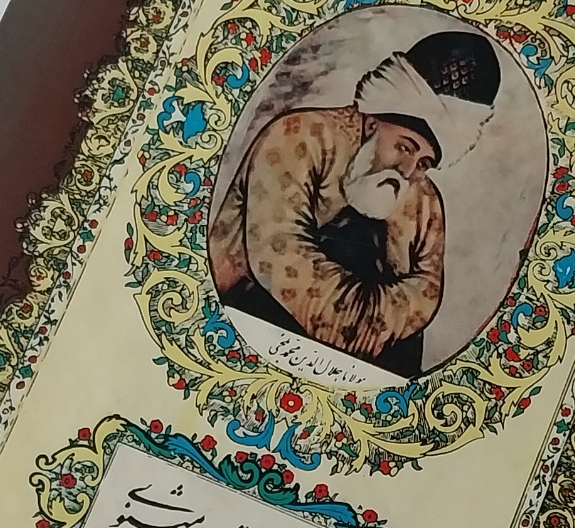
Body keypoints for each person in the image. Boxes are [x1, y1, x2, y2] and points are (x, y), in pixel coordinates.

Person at [208, 28, 501, 375]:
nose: (408, 171)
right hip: (245, 325)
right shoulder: (300, 136)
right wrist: (369, 320)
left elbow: (424, 292)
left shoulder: (423, 199)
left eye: (424, 162)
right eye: (405, 147)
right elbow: (279, 255)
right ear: (373, 121)